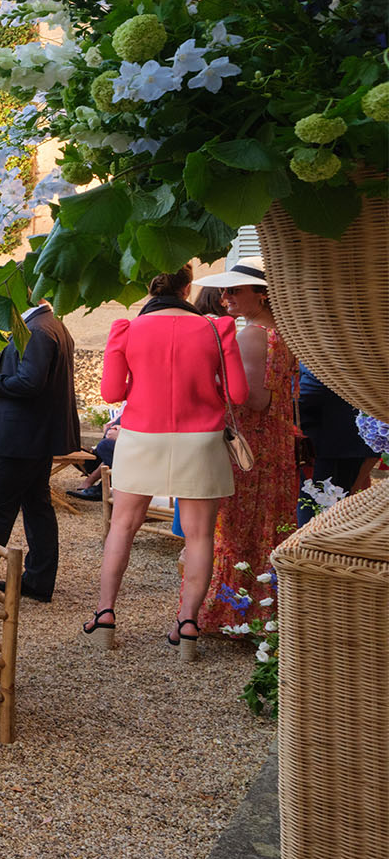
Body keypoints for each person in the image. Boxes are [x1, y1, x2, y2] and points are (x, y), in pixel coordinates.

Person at [90, 266, 246, 660]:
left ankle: (105, 616)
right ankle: (187, 624)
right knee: (200, 537)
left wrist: (140, 384)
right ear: (187, 287)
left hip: (142, 435)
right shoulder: (218, 329)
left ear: (150, 286)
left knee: (122, 526)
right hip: (201, 439)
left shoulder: (126, 329)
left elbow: (111, 392)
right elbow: (239, 394)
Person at [197, 259, 296, 634]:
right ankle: (263, 611)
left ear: (262, 294)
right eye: (225, 290)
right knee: (264, 525)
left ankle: (235, 613)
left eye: (235, 290)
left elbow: (254, 400)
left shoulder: (254, 335)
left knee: (240, 528)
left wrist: (213, 379)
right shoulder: (282, 332)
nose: (225, 297)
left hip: (252, 446)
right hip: (273, 442)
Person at [0, 295, 79, 600]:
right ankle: (38, 580)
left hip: (21, 439)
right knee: (37, 506)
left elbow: (30, 382)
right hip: (35, 436)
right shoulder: (50, 323)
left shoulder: (36, 329)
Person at [297, 363, 374, 524]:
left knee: (316, 513)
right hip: (352, 438)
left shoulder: (323, 356)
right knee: (340, 510)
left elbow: (313, 389)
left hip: (325, 442)